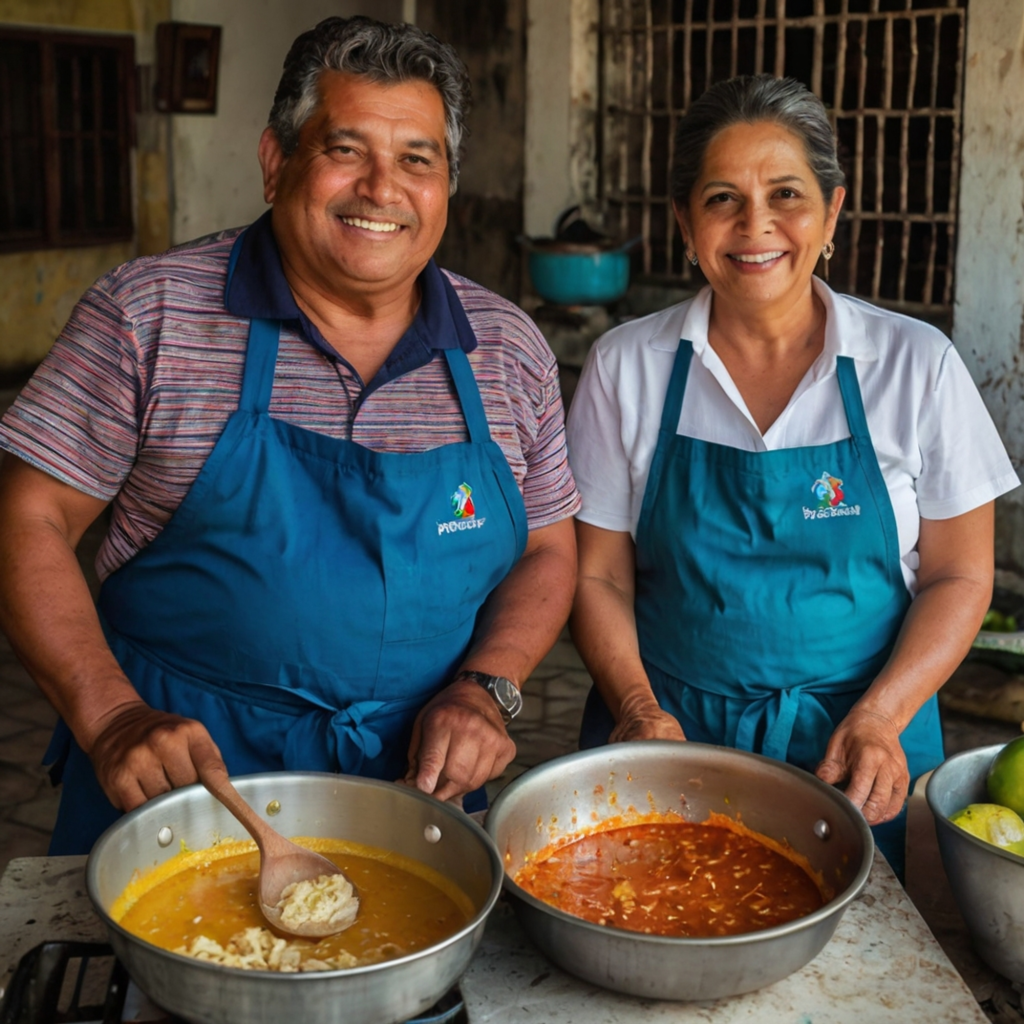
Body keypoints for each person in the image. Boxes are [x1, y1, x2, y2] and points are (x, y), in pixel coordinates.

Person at [0, 16, 579, 855]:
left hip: (419, 790)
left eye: (417, 159)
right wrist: (112, 715)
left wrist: (488, 690)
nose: (382, 189)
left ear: (446, 185)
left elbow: (549, 550)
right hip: (181, 786)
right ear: (277, 163)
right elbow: (29, 517)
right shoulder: (148, 314)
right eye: (346, 150)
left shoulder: (508, 348)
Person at [565, 74, 1019, 877]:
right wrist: (638, 708)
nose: (756, 226)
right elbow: (598, 573)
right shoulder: (625, 367)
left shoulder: (915, 367)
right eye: (721, 199)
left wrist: (882, 716)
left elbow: (959, 574)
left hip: (853, 746)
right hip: (666, 738)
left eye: (786, 194)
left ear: (832, 211)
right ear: (684, 221)